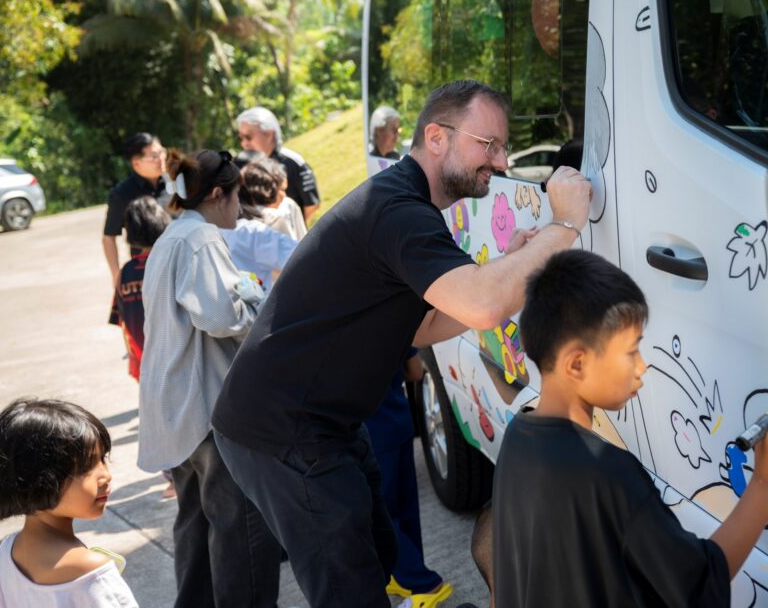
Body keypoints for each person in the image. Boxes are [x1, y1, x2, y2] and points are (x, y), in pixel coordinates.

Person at [211, 79, 592, 608]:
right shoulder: (398, 211)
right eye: (489, 145)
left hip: (324, 422)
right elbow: (483, 304)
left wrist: (511, 263)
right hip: (285, 431)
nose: (502, 162)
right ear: (436, 137)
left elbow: (423, 325)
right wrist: (565, 224)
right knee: (349, 590)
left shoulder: (404, 203)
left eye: (503, 148)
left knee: (377, 554)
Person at [492, 250, 768, 607]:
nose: (642, 367)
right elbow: (699, 588)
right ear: (577, 364)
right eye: (631, 352)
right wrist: (767, 482)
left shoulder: (517, 437)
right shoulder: (609, 474)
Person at [138, 149, 280, 607]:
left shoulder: (172, 236)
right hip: (207, 409)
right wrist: (258, 301)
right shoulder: (201, 237)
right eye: (238, 196)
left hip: (173, 407)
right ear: (219, 194)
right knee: (241, 527)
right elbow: (220, 316)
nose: (241, 207)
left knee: (195, 525)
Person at [0, 398, 139, 607]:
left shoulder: (6, 554)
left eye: (103, 459)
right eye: (86, 467)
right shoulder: (91, 574)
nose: (106, 475)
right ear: (37, 480)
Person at [366, 349, 452, 607]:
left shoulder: (336, 332)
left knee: (378, 515)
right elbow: (415, 371)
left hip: (371, 433)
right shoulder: (388, 324)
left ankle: (422, 582)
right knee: (405, 508)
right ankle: (403, 574)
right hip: (399, 419)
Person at [109, 197, 171, 383]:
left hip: (144, 361)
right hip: (175, 356)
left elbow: (123, 321)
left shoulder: (125, 272)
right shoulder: (169, 262)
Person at [102, 133, 170, 286]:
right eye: (154, 156)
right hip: (147, 273)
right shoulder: (122, 193)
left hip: (182, 262)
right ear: (136, 163)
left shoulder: (175, 183)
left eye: (162, 152)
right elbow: (109, 238)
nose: (161, 158)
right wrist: (117, 276)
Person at [236, 107, 321, 224]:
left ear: (269, 134)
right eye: (241, 138)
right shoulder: (244, 165)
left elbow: (311, 204)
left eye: (248, 137)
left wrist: (292, 227)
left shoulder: (292, 162)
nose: (244, 143)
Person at [241, 156, 307, 242]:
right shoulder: (274, 218)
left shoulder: (288, 205)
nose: (284, 195)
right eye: (281, 190)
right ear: (266, 190)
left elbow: (303, 239)